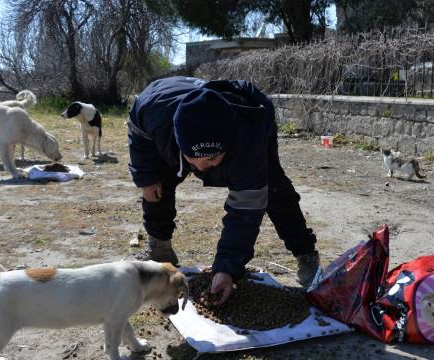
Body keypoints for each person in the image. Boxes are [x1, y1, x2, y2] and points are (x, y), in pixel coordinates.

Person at [127, 76, 320, 304]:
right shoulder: (153, 111)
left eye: (212, 158)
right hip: (164, 111)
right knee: (156, 184)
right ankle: (159, 249)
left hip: (254, 118)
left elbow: (245, 212)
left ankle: (307, 256)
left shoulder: (248, 141)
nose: (201, 167)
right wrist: (146, 177)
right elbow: (138, 134)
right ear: (179, 143)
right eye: (193, 158)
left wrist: (226, 269)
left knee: (274, 191)